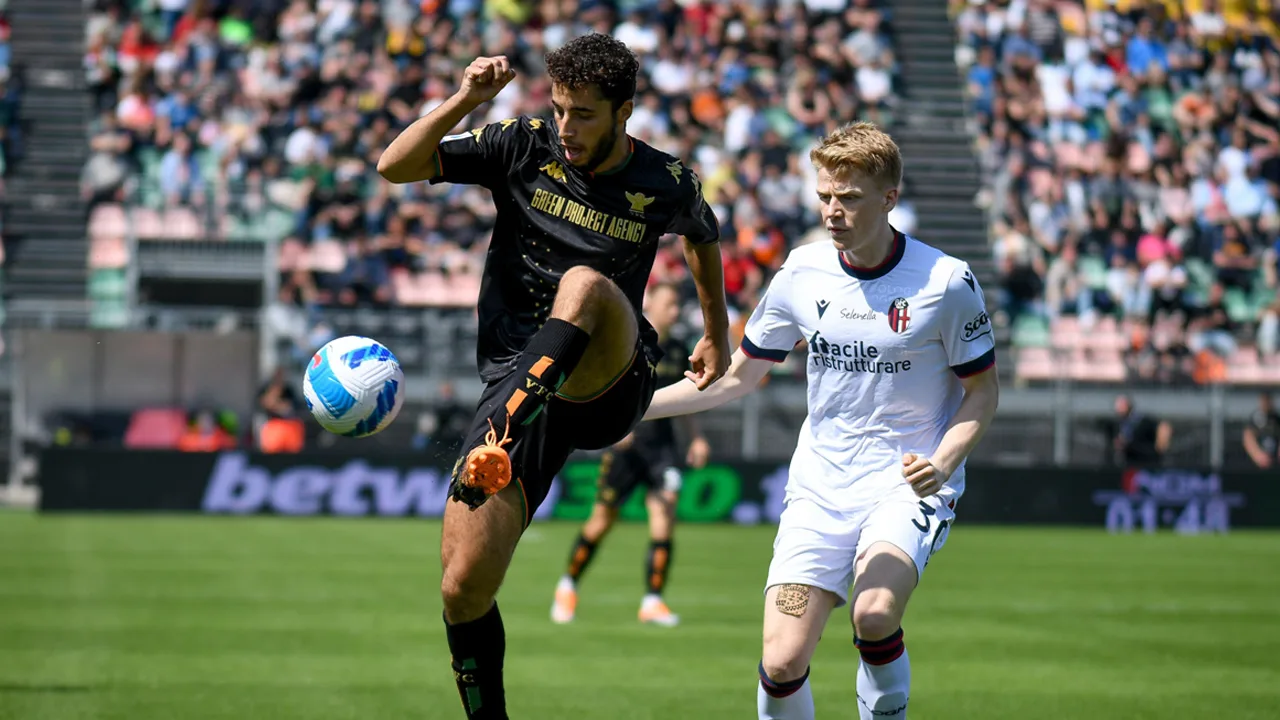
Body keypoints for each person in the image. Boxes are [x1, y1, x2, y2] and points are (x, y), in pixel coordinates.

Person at [376, 34, 730, 720]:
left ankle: (503, 432)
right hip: (519, 381)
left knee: (588, 285)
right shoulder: (522, 143)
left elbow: (703, 237)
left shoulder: (668, 181)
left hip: (607, 382)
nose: (566, 128)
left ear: (624, 111)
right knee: (462, 589)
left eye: (585, 114)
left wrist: (716, 332)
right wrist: (466, 100)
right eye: (560, 108)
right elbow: (395, 166)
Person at [641, 122, 1000, 720]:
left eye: (850, 198)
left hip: (903, 484)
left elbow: (982, 394)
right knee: (781, 663)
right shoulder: (802, 273)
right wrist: (630, 407)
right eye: (825, 196)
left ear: (889, 198)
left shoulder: (946, 282)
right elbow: (736, 377)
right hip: (819, 488)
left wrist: (943, 461)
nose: (833, 211)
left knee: (875, 611)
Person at [550, 282, 711, 627]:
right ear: (650, 302)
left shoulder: (680, 347)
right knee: (601, 522)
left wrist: (696, 439)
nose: (675, 311)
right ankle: (567, 586)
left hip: (662, 448)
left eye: (676, 306)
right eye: (669, 303)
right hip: (627, 448)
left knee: (664, 516)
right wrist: (614, 426)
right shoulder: (629, 341)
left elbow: (686, 399)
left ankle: (652, 601)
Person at [1108, 394, 1173, 467]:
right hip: (1130, 462)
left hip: (1147, 461)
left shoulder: (1141, 421)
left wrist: (1161, 443)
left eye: (1121, 405)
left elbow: (1163, 426)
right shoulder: (1120, 424)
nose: (1118, 408)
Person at [1243, 392, 1279, 469]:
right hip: (1257, 462)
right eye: (1264, 401)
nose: (1266, 404)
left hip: (1275, 461)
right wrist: (1257, 455)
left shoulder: (1276, 418)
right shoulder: (1255, 418)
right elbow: (1248, 436)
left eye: (1268, 401)